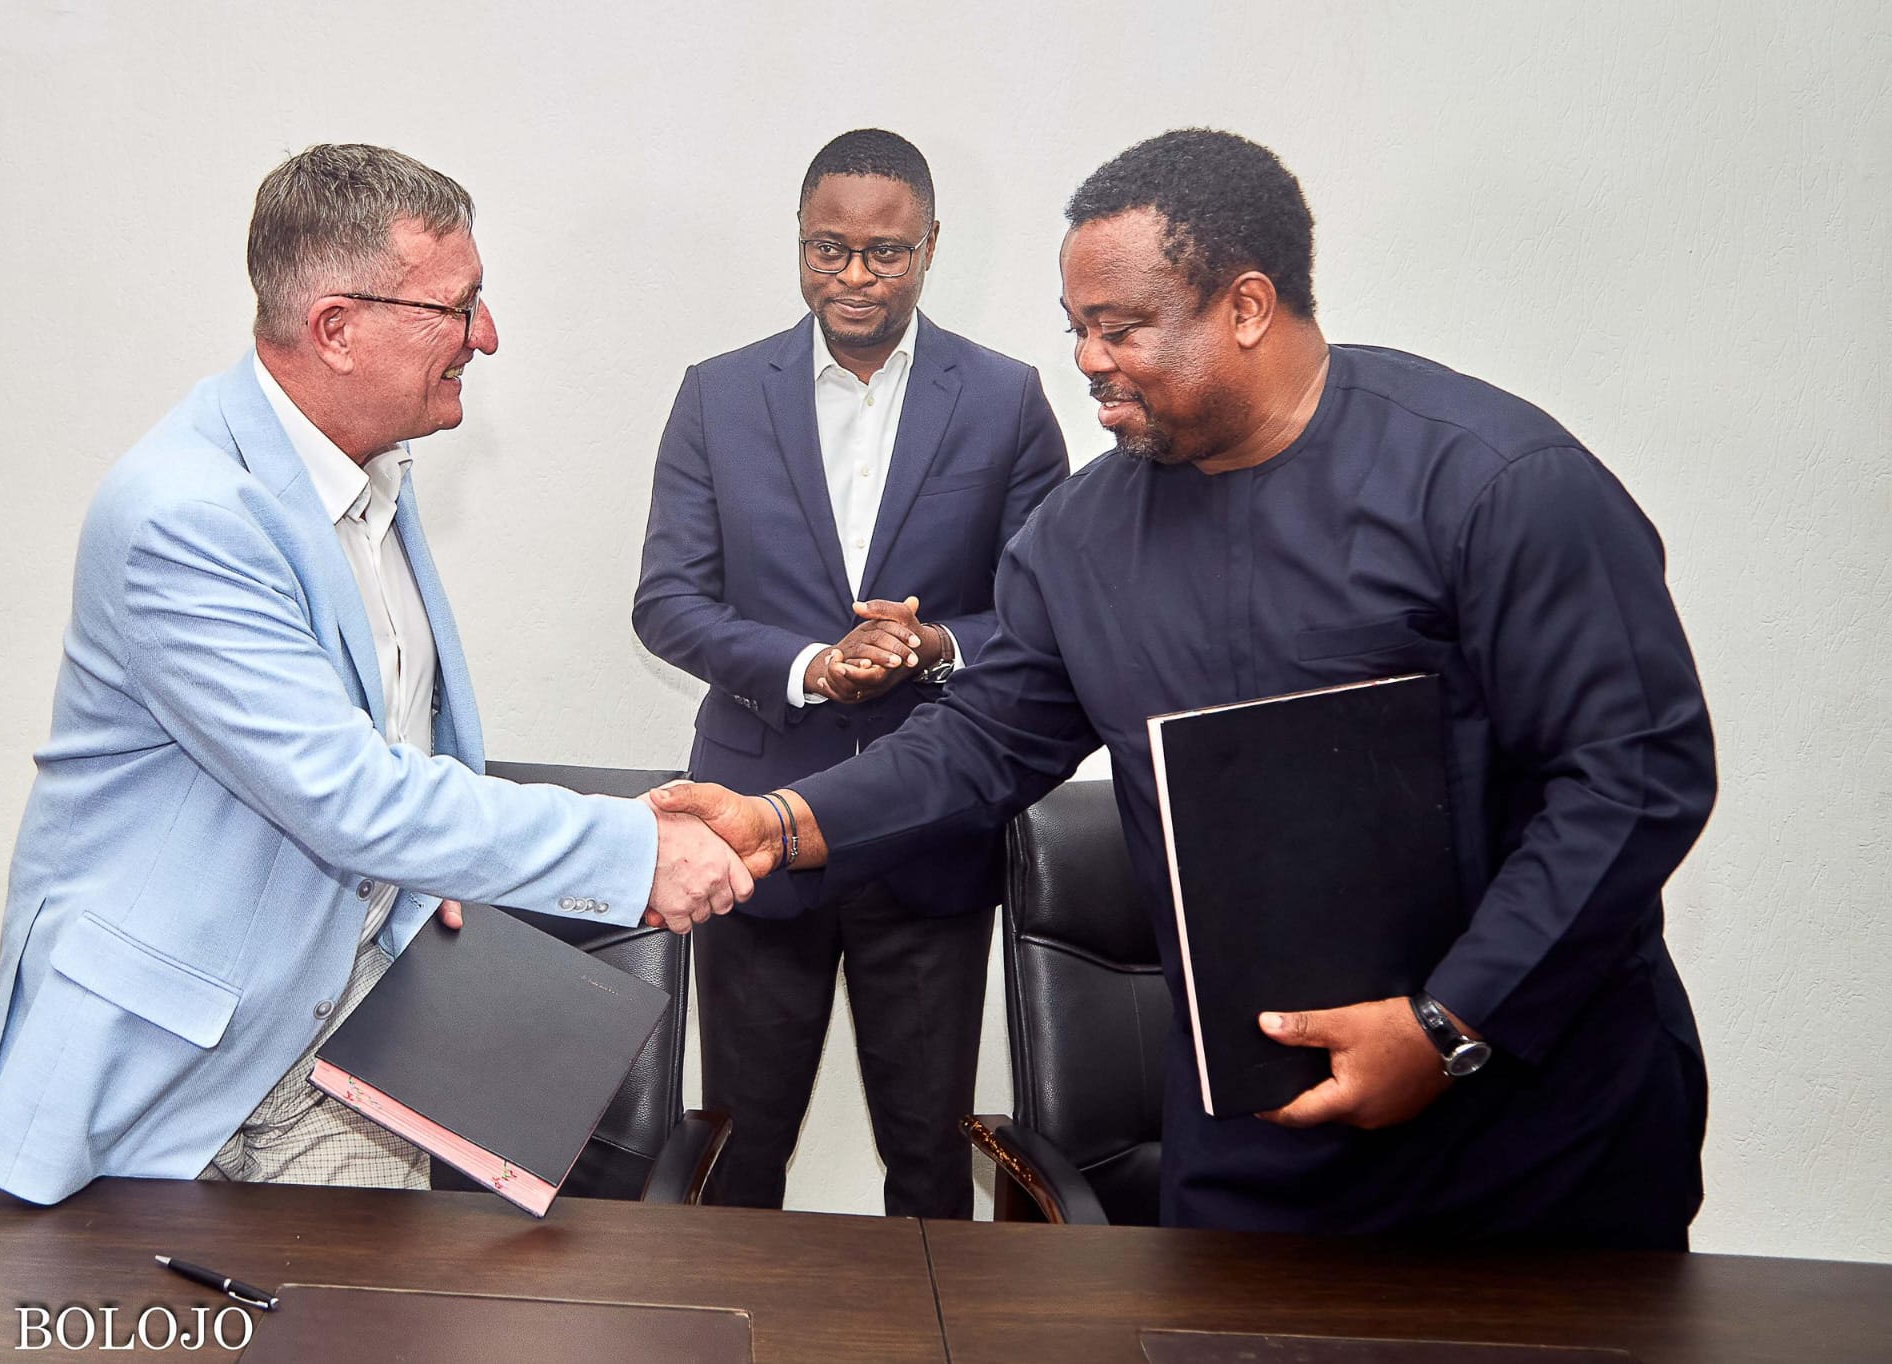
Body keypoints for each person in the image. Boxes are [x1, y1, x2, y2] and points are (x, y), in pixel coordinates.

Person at [653, 129, 1717, 1248]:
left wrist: (1451, 1020)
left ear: (1245, 306)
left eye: (1120, 327)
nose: (1086, 360)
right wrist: (782, 817)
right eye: (1076, 329)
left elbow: (1631, 776)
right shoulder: (1079, 538)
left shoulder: (1490, 483)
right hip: (1254, 1130)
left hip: (1528, 1119)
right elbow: (980, 743)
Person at [0, 144, 749, 1207]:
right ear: (336, 328)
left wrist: (453, 870)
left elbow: (400, 742)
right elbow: (346, 793)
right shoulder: (186, 515)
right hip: (167, 1071)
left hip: (339, 1044)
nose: (487, 335)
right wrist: (628, 848)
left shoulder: (369, 471)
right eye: (456, 305)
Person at [632, 129, 1068, 1216]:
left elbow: (1053, 610)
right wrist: (810, 666)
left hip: (930, 832)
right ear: (798, 241)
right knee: (739, 1151)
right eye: (828, 249)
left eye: (885, 252)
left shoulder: (1006, 398)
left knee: (928, 1162)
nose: (855, 277)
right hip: (751, 826)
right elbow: (667, 600)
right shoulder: (718, 394)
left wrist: (936, 644)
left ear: (928, 246)